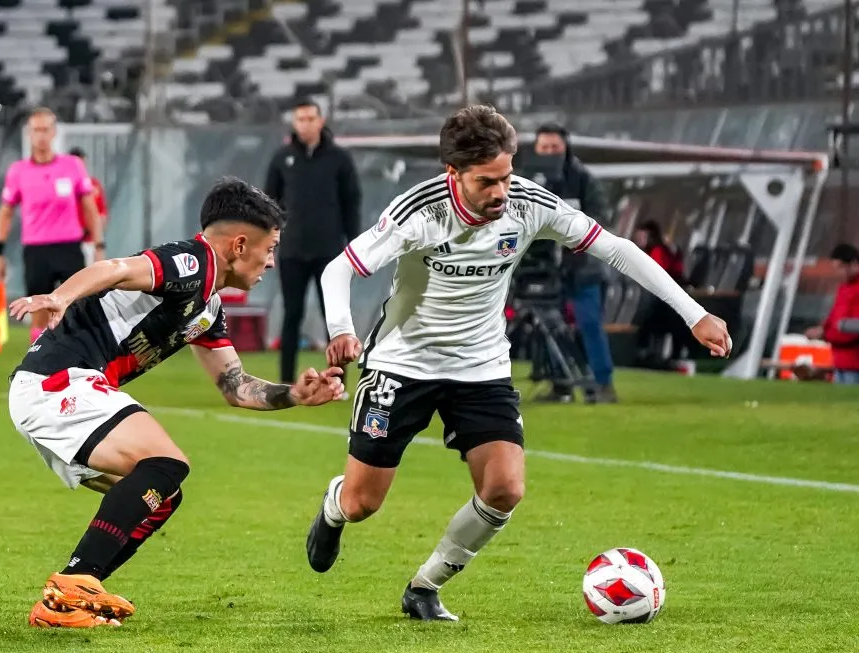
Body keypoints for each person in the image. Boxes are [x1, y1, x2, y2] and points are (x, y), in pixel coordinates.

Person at [306, 105, 732, 621]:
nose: (501, 192)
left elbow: (617, 250)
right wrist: (342, 330)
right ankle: (334, 506)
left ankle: (425, 586)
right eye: (487, 182)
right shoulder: (418, 211)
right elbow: (338, 271)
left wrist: (695, 314)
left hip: (481, 365)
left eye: (507, 176)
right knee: (362, 504)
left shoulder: (529, 203)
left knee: (505, 489)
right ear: (453, 176)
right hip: (404, 363)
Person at [7, 178, 344, 629]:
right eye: (270, 247)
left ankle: (65, 603)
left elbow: (235, 385)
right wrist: (59, 297)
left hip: (64, 390)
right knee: (167, 463)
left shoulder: (208, 306)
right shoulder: (191, 262)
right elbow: (115, 268)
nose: (270, 261)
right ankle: (76, 580)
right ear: (240, 244)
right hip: (59, 380)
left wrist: (296, 395)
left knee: (163, 492)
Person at [265, 98, 361, 385]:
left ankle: (338, 381)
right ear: (294, 123)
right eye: (300, 119)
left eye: (310, 118)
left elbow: (351, 203)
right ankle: (284, 383)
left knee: (333, 316)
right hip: (293, 251)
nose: (305, 124)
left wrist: (354, 246)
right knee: (292, 314)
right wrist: (271, 242)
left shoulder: (339, 159)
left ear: (321, 121)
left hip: (330, 252)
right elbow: (269, 203)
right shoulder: (282, 159)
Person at [0, 107, 103, 344]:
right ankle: (40, 362)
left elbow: (89, 208)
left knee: (78, 307)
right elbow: (5, 212)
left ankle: (82, 358)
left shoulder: (72, 166)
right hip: (36, 250)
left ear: (53, 133)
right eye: (36, 130)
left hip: (68, 247)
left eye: (45, 129)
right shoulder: (18, 171)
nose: (41, 135)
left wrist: (98, 244)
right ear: (28, 134)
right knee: (39, 311)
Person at [532, 123, 617, 403]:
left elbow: (599, 217)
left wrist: (570, 239)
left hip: (584, 268)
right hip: (546, 270)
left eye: (554, 147)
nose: (549, 152)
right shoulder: (528, 179)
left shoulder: (584, 180)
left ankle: (603, 385)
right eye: (544, 147)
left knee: (589, 324)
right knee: (549, 327)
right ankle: (561, 385)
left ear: (566, 148)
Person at [633, 219, 691, 367]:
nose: (640, 240)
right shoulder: (650, 251)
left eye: (643, 236)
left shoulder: (658, 251)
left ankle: (652, 353)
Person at [805, 243, 859, 384]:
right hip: (841, 359)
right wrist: (822, 328)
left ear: (854, 264)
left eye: (841, 268)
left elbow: (853, 328)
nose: (838, 273)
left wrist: (825, 334)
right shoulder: (844, 288)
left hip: (854, 360)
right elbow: (835, 316)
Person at [68, 147, 108, 266]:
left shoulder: (93, 185)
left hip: (89, 242)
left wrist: (98, 243)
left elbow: (102, 214)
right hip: (68, 242)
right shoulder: (63, 186)